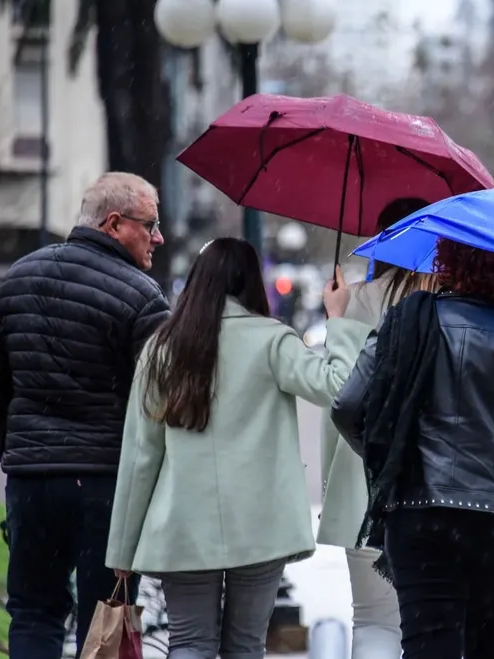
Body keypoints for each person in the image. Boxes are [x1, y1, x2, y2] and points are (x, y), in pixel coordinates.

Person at [104, 238, 370, 659]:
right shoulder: (273, 341)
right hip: (260, 524)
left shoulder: (163, 346)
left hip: (184, 523)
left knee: (190, 643)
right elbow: (339, 388)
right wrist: (338, 319)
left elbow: (141, 455)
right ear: (252, 283)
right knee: (246, 645)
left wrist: (121, 547)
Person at [331, 239, 494, 659]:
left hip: (421, 512)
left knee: (429, 646)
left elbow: (348, 407)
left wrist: (388, 453)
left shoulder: (404, 323)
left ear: (446, 262)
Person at [0, 172, 169, 658]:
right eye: (150, 224)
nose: (158, 237)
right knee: (104, 615)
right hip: (106, 486)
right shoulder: (143, 297)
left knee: (33, 611)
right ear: (114, 224)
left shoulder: (17, 279)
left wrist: (13, 447)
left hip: (30, 482)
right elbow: (162, 400)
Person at [317, 197, 436, 659]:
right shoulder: (444, 305)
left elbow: (342, 395)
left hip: (364, 482)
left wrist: (337, 317)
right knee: (430, 619)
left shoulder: (356, 302)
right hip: (432, 480)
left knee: (373, 620)